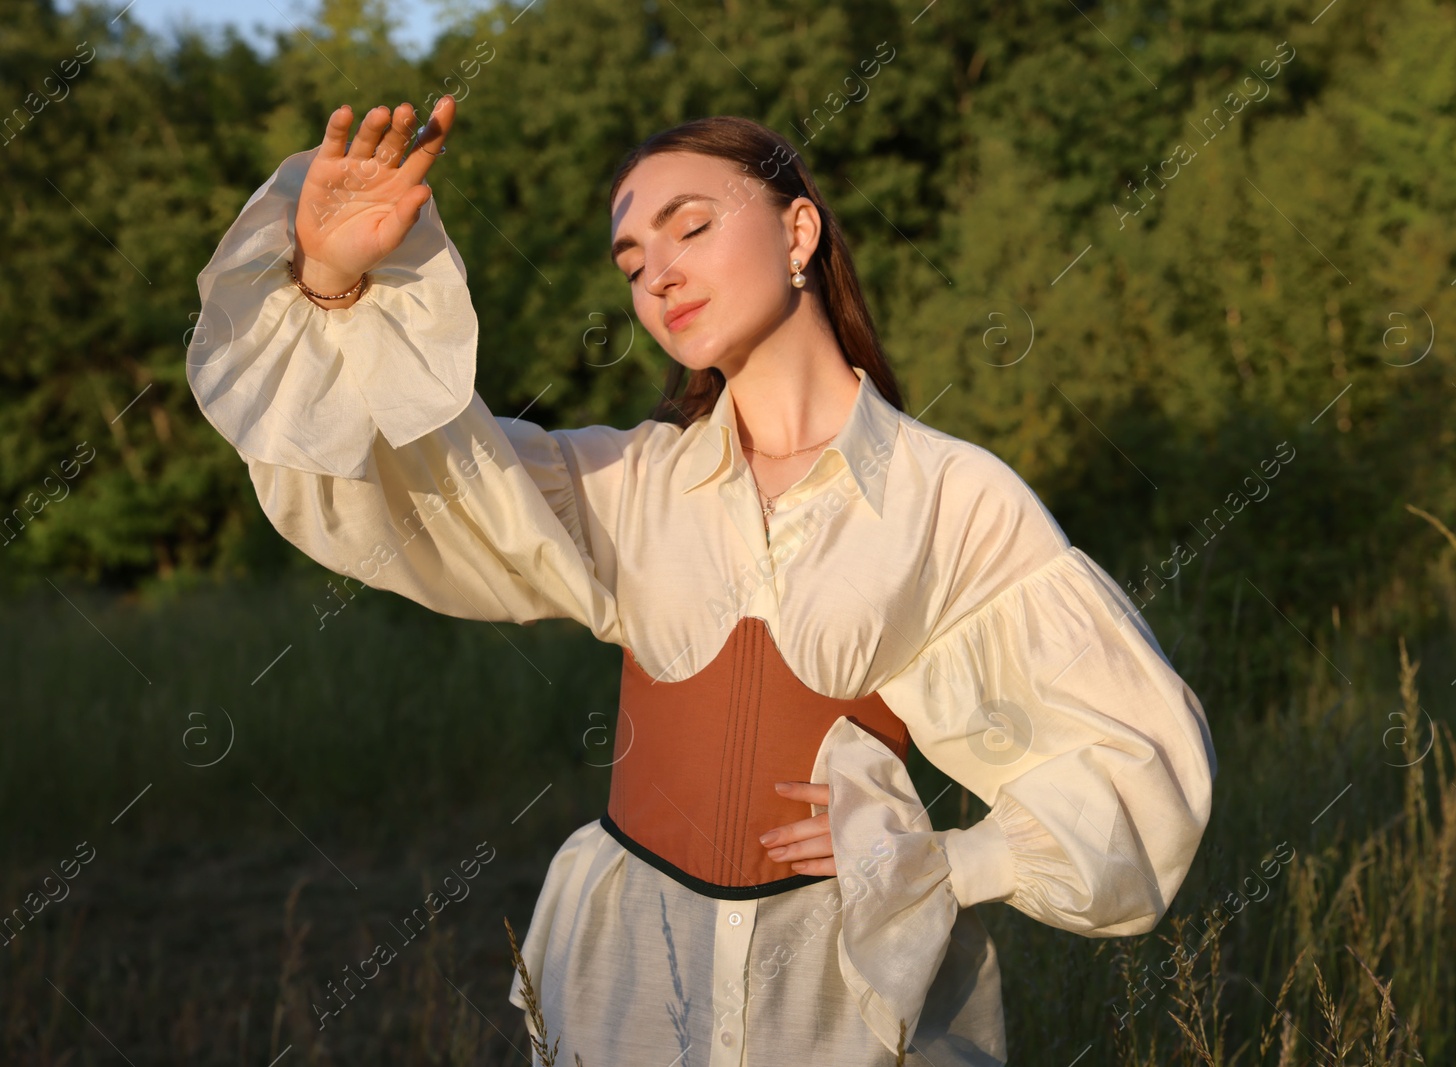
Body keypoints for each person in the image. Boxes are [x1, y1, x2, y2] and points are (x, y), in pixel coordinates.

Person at [185, 95, 1217, 1066]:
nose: (658, 276)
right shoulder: (633, 483)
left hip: (840, 992)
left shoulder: (950, 495)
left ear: (798, 233)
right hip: (633, 972)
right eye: (631, 260)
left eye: (690, 228)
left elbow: (1131, 754)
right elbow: (412, 482)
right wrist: (329, 285)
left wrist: (952, 862)